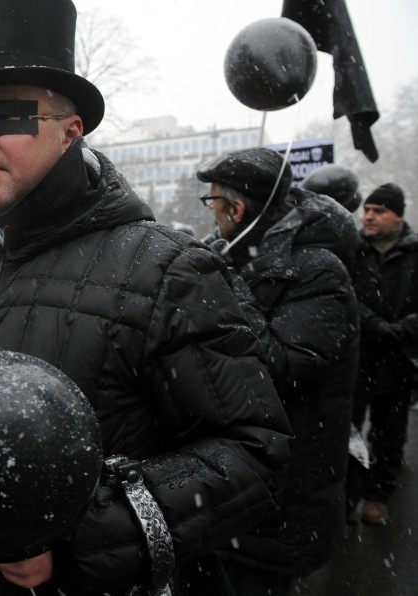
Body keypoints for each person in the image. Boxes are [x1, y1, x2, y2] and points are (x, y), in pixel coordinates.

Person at [0, 2, 292, 594]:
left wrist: (84, 531)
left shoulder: (168, 272)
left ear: (69, 129)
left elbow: (254, 455)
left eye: (4, 115)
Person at [178, 147, 360, 595]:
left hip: (281, 500)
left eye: (213, 202)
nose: (212, 213)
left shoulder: (318, 270)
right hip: (228, 490)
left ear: (236, 210)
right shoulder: (239, 258)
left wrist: (225, 283)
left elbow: (281, 368)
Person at [349, 183, 418, 525]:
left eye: (380, 210)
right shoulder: (354, 250)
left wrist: (402, 329)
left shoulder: (414, 252)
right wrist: (374, 324)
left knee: (389, 432)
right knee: (349, 430)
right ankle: (348, 496)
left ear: (398, 215)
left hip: (399, 360)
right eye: (367, 209)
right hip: (359, 356)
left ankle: (378, 495)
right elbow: (346, 294)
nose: (369, 216)